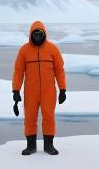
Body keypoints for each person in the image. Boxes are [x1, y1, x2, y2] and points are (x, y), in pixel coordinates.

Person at [12, 20, 67, 155]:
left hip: (48, 91)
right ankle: (31, 146)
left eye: (40, 33)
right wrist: (16, 90)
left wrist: (63, 89)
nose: (37, 36)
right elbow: (18, 71)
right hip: (31, 92)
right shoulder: (24, 50)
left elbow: (59, 70)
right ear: (31, 34)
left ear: (44, 34)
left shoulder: (52, 49)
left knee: (49, 117)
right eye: (35, 34)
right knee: (30, 118)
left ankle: (49, 146)